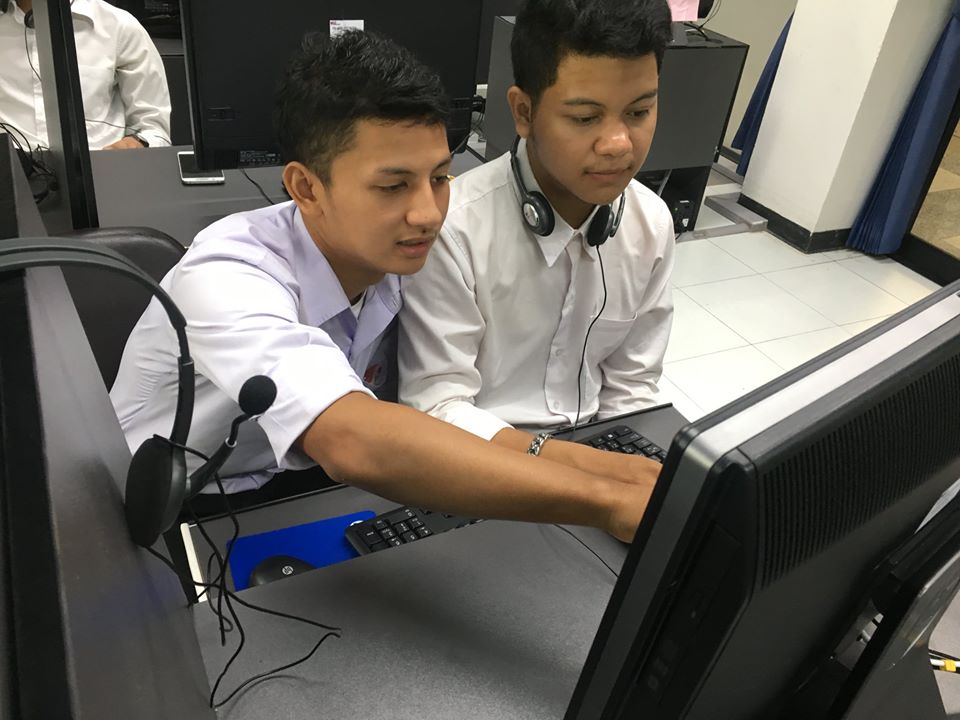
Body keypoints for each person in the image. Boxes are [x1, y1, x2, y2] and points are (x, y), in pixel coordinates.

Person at [110, 30, 659, 543]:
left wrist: (618, 471)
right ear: (306, 187)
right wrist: (608, 501)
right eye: (393, 186)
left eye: (439, 178)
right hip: (167, 505)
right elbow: (353, 439)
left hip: (299, 488)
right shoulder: (228, 275)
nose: (428, 214)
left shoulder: (394, 260)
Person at [398, 0, 676, 467]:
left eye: (639, 111)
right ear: (523, 112)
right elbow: (438, 405)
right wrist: (570, 470)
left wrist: (637, 468)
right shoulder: (456, 230)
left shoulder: (651, 222)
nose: (618, 144)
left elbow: (633, 388)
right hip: (482, 461)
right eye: (585, 118)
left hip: (599, 450)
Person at [0, 0, 171, 151]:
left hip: (100, 168)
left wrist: (137, 144)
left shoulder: (119, 26)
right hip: (8, 170)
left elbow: (154, 129)